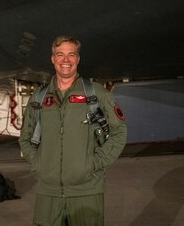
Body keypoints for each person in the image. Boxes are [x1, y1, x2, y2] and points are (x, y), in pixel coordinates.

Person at [19, 36, 127, 226]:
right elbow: (25, 138)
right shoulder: (39, 98)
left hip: (87, 190)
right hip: (48, 192)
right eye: (60, 55)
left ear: (78, 59)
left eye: (71, 55)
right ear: (53, 58)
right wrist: (38, 163)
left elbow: (119, 132)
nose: (65, 60)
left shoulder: (96, 94)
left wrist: (94, 163)